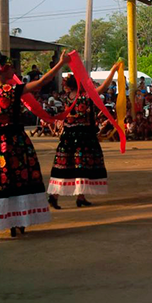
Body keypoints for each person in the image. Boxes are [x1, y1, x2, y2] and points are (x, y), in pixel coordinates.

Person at [0, 49, 70, 244]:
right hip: (13, 142)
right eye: (10, 68)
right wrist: (60, 63)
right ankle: (16, 221)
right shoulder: (11, 90)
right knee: (16, 179)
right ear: (1, 69)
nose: (13, 71)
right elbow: (40, 83)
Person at [47, 62, 121, 209]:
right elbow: (104, 87)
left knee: (67, 166)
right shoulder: (85, 96)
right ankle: (63, 196)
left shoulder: (68, 97)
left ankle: (76, 196)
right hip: (84, 136)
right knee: (82, 165)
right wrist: (113, 70)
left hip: (69, 136)